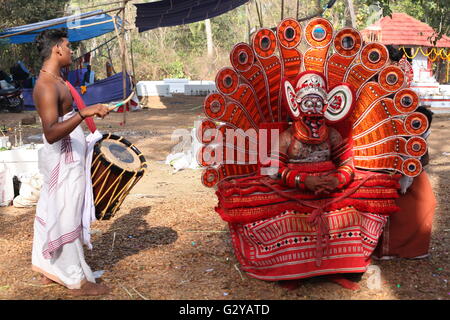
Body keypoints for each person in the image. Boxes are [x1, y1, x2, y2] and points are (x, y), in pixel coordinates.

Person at [31, 28, 110, 296]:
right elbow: (51, 133)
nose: (72, 51)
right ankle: (75, 278)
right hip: (61, 158)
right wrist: (84, 112)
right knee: (65, 211)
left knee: (55, 208)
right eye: (68, 46)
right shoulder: (45, 86)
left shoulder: (58, 79)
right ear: (57, 50)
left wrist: (85, 115)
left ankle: (47, 266)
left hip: (70, 156)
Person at [374, 106, 436, 259]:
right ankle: (391, 249)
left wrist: (415, 163)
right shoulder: (398, 132)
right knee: (395, 211)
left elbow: (424, 158)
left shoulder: (422, 133)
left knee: (427, 203)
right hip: (393, 172)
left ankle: (414, 249)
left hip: (415, 173)